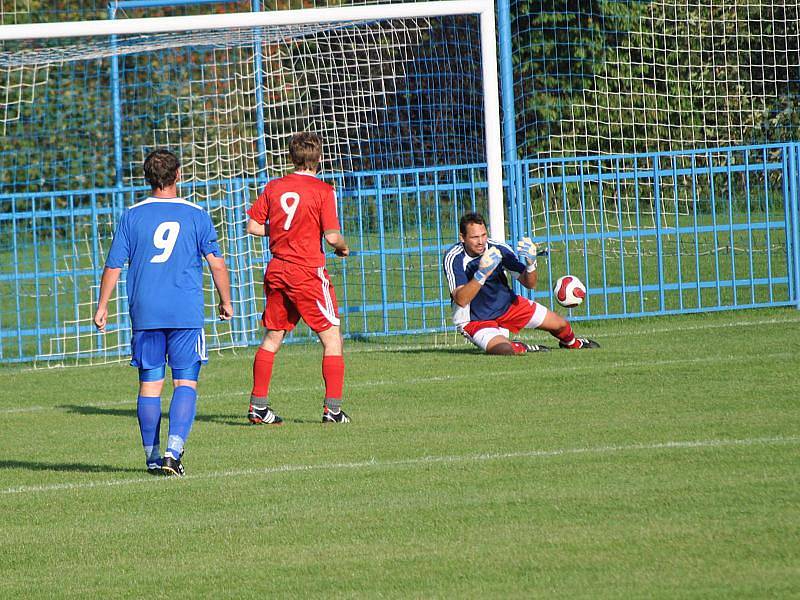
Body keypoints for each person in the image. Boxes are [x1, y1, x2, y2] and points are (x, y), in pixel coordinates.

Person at [93, 149, 233, 477]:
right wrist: (225, 300)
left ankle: (152, 456)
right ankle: (173, 452)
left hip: (146, 312)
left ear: (147, 178)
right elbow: (216, 262)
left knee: (150, 385)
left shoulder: (132, 215)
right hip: (185, 311)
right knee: (186, 381)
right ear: (179, 175)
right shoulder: (196, 214)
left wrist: (102, 305)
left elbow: (114, 264)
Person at [245, 132, 350, 425]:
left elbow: (253, 226)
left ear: (291, 157)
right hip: (306, 272)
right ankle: (333, 409)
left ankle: (258, 405)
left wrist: (279, 231)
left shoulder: (275, 187)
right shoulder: (323, 191)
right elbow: (331, 237)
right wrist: (342, 247)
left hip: (278, 269)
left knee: (273, 336)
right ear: (319, 159)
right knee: (332, 338)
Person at [442, 211, 598, 355]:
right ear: (462, 237)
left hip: (508, 307)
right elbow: (461, 299)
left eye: (484, 235)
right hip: (475, 320)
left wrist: (531, 264)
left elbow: (529, 283)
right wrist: (481, 274)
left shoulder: (498, 249)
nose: (481, 241)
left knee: (561, 325)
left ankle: (573, 343)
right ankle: (521, 346)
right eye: (475, 237)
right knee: (503, 349)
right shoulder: (454, 258)